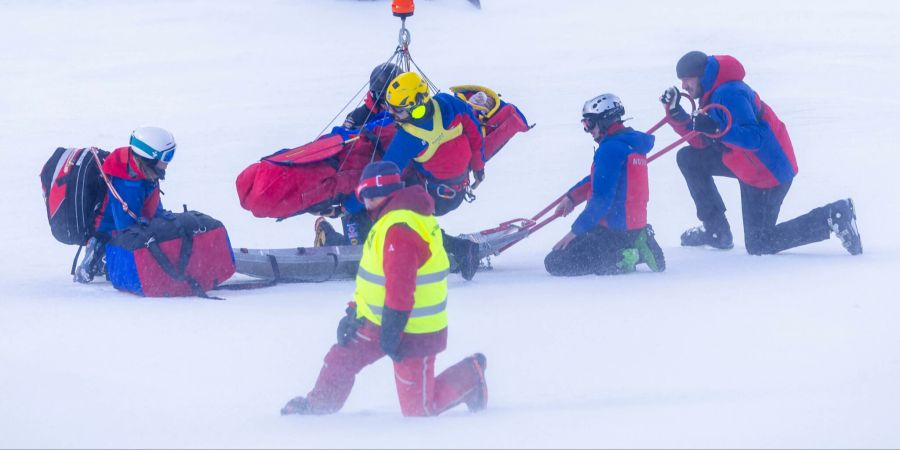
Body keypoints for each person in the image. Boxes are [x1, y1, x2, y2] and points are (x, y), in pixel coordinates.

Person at [281, 161, 488, 417]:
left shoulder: (399, 227)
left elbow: (400, 285)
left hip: (414, 330)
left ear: (387, 193)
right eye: (364, 197)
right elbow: (373, 278)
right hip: (379, 320)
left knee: (419, 411)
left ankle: (471, 375)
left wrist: (392, 329)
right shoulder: (389, 220)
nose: (367, 204)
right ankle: (318, 409)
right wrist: (353, 311)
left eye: (371, 197)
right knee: (341, 359)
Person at [662, 51, 862, 255]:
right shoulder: (711, 94)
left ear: (702, 76)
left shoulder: (730, 93)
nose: (684, 86)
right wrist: (677, 115)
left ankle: (833, 215)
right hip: (743, 163)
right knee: (689, 158)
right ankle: (716, 230)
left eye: (688, 80)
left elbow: (754, 138)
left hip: (767, 171)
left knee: (760, 243)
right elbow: (702, 141)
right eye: (682, 81)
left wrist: (715, 129)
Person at [545, 94, 665, 276]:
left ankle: (628, 256)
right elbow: (599, 179)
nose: (588, 130)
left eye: (590, 124)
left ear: (605, 120)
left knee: (555, 261)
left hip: (613, 230)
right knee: (574, 250)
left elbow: (601, 200)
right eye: (585, 124)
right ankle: (639, 239)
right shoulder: (630, 143)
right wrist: (572, 197)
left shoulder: (610, 149)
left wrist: (574, 232)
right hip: (632, 226)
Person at [73, 126, 175, 283]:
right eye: (167, 156)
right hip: (109, 232)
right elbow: (126, 228)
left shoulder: (145, 172)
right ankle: (97, 253)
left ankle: (106, 255)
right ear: (150, 157)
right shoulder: (128, 184)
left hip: (126, 225)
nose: (169, 162)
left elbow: (152, 206)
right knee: (123, 243)